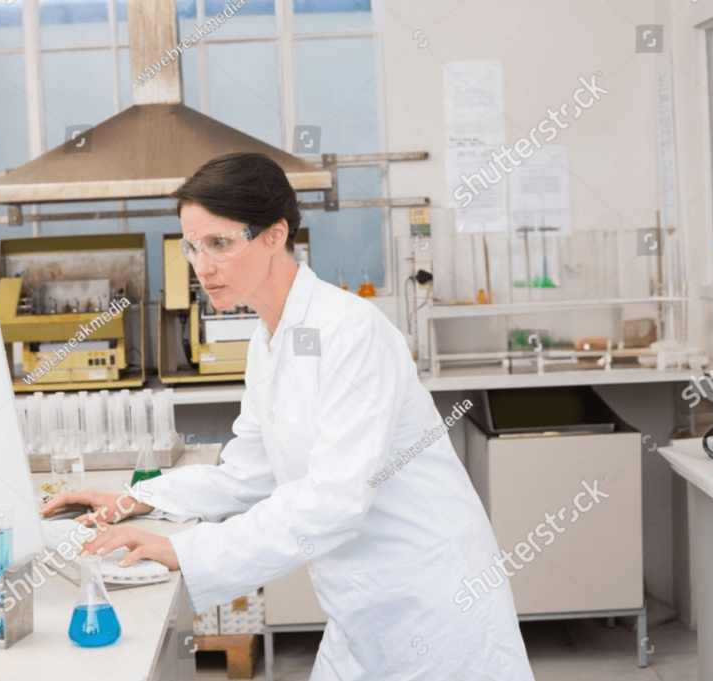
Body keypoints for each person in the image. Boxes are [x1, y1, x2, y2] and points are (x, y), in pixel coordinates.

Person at [41, 152, 535, 680]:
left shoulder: (352, 333)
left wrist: (186, 550)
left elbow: (333, 501)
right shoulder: (269, 342)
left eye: (220, 244)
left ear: (275, 235)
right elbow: (248, 474)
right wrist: (137, 496)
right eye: (192, 246)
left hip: (434, 605)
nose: (201, 266)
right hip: (362, 610)